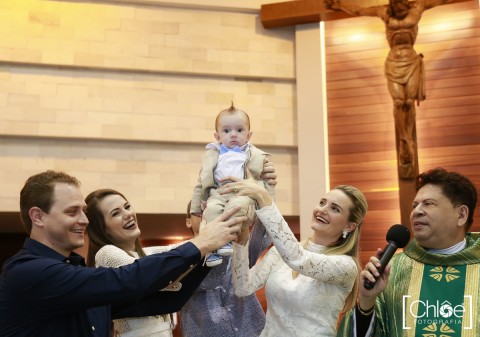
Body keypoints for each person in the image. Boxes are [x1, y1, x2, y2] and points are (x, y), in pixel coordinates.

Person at [0, 170, 244, 337]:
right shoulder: (27, 272)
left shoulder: (75, 274)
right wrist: (199, 244)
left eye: (83, 211)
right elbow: (127, 280)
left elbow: (167, 300)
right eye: (72, 211)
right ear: (38, 216)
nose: (84, 220)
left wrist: (211, 251)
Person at [337, 167, 479, 337]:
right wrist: (367, 300)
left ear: (461, 215)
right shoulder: (392, 271)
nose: (416, 211)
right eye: (414, 205)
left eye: (428, 203)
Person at [222, 178, 368, 336]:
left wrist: (264, 197)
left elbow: (299, 260)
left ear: (349, 226)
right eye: (322, 202)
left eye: (335, 209)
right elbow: (243, 287)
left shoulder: (345, 266)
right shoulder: (280, 252)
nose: (323, 210)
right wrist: (242, 238)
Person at [325, 0, 452, 179]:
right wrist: (340, 5)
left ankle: (408, 140)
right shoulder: (384, 12)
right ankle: (405, 140)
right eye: (395, 4)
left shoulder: (418, 8)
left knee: (409, 102)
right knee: (399, 101)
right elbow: (360, 10)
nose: (398, 8)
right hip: (394, 62)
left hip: (411, 60)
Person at [86, 189, 198, 337]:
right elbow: (152, 273)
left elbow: (178, 250)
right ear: (102, 229)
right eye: (115, 213)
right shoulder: (105, 253)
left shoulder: (145, 255)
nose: (127, 214)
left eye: (127, 207)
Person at [191, 103, 275, 267]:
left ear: (249, 135)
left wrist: (269, 207)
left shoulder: (257, 155)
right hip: (219, 192)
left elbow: (268, 185)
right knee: (213, 211)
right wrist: (195, 209)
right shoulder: (211, 156)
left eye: (239, 130)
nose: (233, 135)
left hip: (243, 192)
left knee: (236, 208)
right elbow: (200, 184)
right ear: (217, 136)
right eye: (227, 131)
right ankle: (213, 251)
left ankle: (228, 239)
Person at [179, 200, 272, 337]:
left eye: (216, 210)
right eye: (202, 211)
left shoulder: (236, 245)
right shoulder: (180, 255)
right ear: (188, 222)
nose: (209, 215)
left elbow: (263, 236)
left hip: (253, 331)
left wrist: (263, 195)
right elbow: (208, 280)